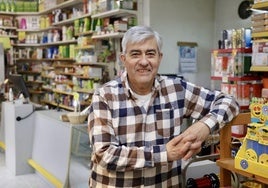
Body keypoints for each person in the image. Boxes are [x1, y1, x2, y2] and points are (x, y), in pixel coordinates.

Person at [88, 25, 240, 187]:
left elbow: (230, 102)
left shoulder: (176, 89)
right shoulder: (104, 96)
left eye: (150, 54)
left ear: (160, 57)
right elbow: (104, 155)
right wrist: (164, 153)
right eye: (135, 54)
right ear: (123, 59)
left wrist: (204, 127)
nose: (144, 61)